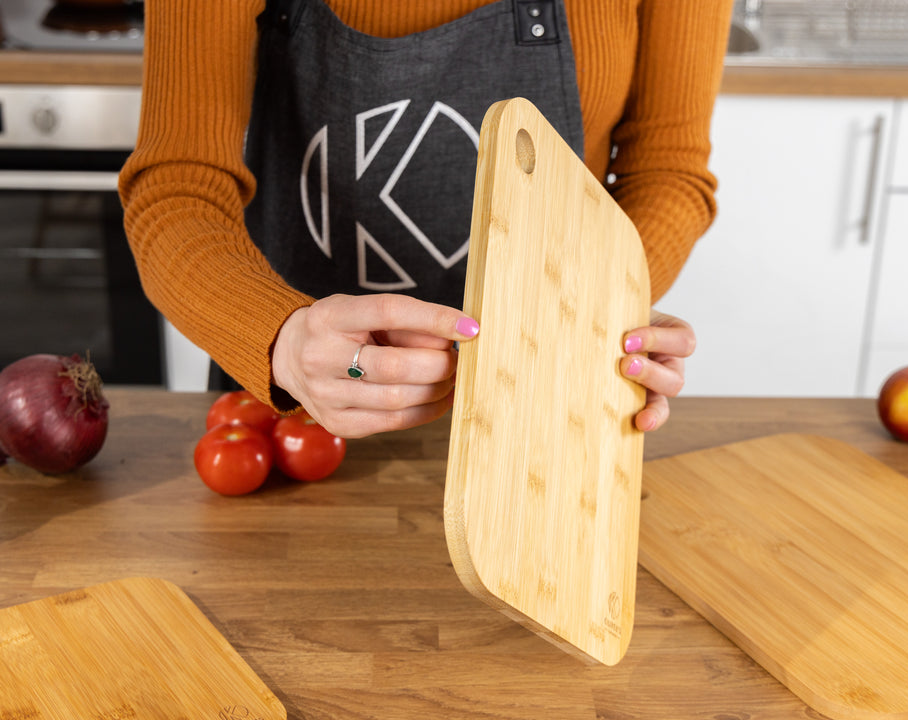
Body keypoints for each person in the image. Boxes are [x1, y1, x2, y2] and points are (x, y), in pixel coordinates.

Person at [119, 0, 732, 438]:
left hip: (539, 410)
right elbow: (177, 189)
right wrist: (278, 338)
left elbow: (666, 170)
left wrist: (594, 314)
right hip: (291, 412)